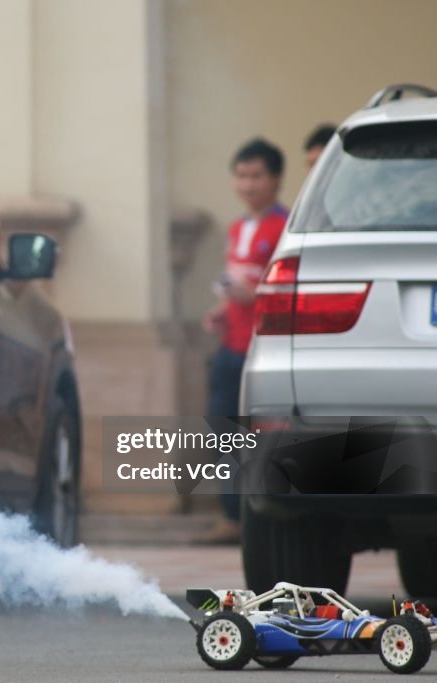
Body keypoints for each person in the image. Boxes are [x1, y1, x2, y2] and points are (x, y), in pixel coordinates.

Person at [198, 138, 288, 545]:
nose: (248, 185)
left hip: (264, 347)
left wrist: (251, 296)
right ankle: (230, 515)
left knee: (263, 434)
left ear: (275, 180)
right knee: (223, 431)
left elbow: (283, 287)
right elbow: (233, 281)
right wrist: (221, 308)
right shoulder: (237, 228)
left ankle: (263, 511)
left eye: (257, 176)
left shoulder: (283, 227)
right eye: (242, 176)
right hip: (231, 346)